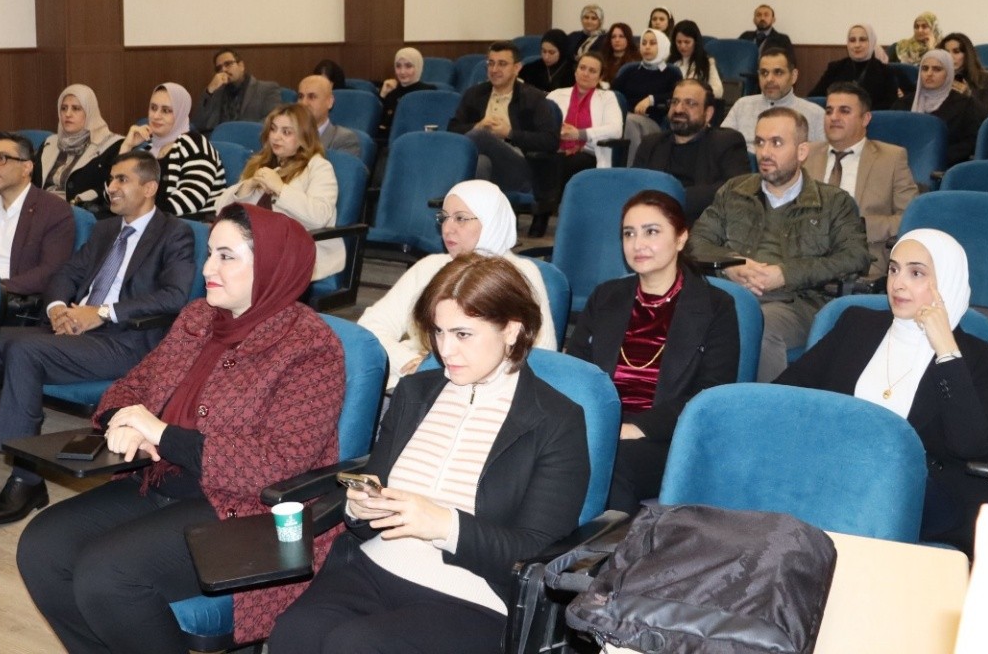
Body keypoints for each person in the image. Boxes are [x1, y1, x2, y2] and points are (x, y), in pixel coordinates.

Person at [16, 205, 345, 654]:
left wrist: (161, 433)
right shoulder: (197, 318)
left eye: (226, 256)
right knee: (41, 548)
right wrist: (123, 420)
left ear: (271, 266)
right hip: (160, 479)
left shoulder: (311, 348)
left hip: (246, 510)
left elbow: (278, 464)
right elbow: (130, 387)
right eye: (210, 253)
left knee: (108, 576)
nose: (208, 269)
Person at [270, 254, 589, 654]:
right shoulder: (414, 393)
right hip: (374, 565)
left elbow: (537, 552)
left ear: (511, 329)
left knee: (357, 645)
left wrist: (444, 524)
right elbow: (375, 490)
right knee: (294, 632)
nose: (445, 349)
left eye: (463, 334)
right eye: (439, 332)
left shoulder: (556, 421)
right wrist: (360, 507)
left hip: (472, 593)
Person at [0, 150, 196, 526]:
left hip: (128, 342)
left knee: (25, 351)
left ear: (149, 188)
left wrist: (101, 313)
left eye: (122, 180)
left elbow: (174, 296)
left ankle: (26, 480)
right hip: (79, 332)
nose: (111, 187)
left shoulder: (174, 233)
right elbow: (66, 274)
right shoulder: (105, 229)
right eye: (110, 179)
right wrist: (57, 309)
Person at [776, 229, 988, 554]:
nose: (898, 284)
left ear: (947, 281)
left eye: (916, 273)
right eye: (893, 269)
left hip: (924, 495)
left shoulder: (986, 360)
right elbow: (784, 394)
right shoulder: (855, 325)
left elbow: (970, 446)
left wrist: (946, 349)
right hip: (834, 473)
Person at [566, 191, 739, 511]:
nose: (638, 244)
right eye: (629, 234)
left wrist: (638, 427)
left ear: (681, 238)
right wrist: (598, 425)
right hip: (599, 426)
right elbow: (576, 373)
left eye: (652, 232)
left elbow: (711, 393)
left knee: (612, 464)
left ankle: (613, 542)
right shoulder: (606, 297)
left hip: (667, 437)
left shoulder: (716, 307)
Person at [691, 108, 870, 380]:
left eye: (776, 143)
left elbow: (855, 256)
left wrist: (786, 273)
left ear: (802, 151)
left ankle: (761, 406)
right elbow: (696, 241)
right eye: (760, 142)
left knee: (758, 329)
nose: (764, 153)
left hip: (796, 302)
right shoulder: (733, 191)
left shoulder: (834, 202)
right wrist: (731, 265)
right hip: (732, 294)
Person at [358, 180, 557, 391]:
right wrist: (411, 362)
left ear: (491, 221)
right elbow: (370, 327)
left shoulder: (521, 274)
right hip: (412, 380)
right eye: (444, 218)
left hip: (487, 391)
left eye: (460, 218)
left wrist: (437, 368)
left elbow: (541, 355)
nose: (447, 228)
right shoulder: (430, 266)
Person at [215, 104, 343, 281]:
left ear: (304, 137)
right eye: (273, 129)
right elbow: (219, 209)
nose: (276, 137)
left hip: (298, 250)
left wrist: (281, 189)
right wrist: (246, 187)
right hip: (256, 243)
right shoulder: (260, 163)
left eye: (286, 132)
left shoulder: (319, 167)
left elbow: (320, 216)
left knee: (232, 262)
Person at [803, 83, 918, 274]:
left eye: (844, 111)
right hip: (806, 258)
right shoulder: (806, 154)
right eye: (829, 111)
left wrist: (862, 226)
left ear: (865, 119)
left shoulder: (891, 158)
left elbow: (910, 217)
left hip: (863, 261)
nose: (834, 117)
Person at [0, 132, 75, 300]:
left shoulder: (53, 210)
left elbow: (49, 272)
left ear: (26, 167)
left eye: (1, 158)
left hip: (8, 299)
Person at [447, 41, 560, 195]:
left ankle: (444, 182)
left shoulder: (534, 98)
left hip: (520, 168)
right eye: (491, 63)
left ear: (517, 68)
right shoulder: (474, 94)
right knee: (481, 163)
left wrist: (509, 133)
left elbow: (550, 141)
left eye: (502, 64)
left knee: (481, 137)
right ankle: (474, 209)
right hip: (485, 163)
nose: (494, 69)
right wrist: (477, 126)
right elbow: (452, 129)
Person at [633, 79, 749, 221]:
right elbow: (634, 186)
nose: (678, 109)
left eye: (690, 103)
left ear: (708, 113)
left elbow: (737, 188)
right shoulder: (651, 143)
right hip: (653, 221)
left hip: (703, 224)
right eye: (675, 102)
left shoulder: (726, 142)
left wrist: (674, 197)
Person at [119, 83, 226, 217]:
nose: (156, 116)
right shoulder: (148, 149)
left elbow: (191, 199)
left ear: (180, 112)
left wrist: (140, 213)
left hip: (191, 224)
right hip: (151, 221)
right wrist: (126, 148)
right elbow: (114, 194)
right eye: (153, 108)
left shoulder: (194, 144)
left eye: (166, 111)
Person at [35, 85, 122, 215]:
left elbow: (110, 187)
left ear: (90, 111)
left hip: (79, 214)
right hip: (40, 211)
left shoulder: (110, 145)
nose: (68, 114)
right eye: (63, 108)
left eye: (76, 108)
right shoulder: (49, 143)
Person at [721, 47, 826, 150]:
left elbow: (825, 155)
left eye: (778, 72)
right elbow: (721, 145)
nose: (769, 79)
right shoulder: (742, 106)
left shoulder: (815, 114)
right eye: (764, 73)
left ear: (793, 76)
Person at [547, 51, 623, 191]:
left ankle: (557, 202)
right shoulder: (556, 95)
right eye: (582, 68)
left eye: (592, 71)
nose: (586, 73)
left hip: (590, 153)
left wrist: (579, 134)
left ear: (600, 77)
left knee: (569, 162)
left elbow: (615, 130)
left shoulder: (607, 98)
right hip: (556, 150)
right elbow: (541, 124)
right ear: (575, 71)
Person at [895, 49, 983, 167]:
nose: (929, 73)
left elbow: (971, 142)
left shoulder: (964, 104)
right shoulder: (904, 103)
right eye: (924, 68)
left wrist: (935, 157)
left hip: (945, 166)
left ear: (948, 73)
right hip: (904, 164)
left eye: (937, 69)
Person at [612, 28, 681, 160]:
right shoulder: (630, 70)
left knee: (629, 121)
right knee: (626, 121)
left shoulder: (672, 72)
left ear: (662, 45)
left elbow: (676, 96)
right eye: (644, 43)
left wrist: (651, 99)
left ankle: (633, 167)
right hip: (626, 117)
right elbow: (614, 94)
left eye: (652, 43)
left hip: (655, 121)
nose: (647, 47)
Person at [192, 47, 284, 134]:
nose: (223, 70)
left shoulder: (267, 89)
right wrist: (210, 90)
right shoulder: (216, 92)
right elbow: (198, 124)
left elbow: (273, 120)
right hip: (219, 140)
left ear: (241, 66)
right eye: (219, 68)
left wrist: (239, 133)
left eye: (228, 64)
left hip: (250, 139)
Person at [807, 24, 901, 106]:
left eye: (862, 40)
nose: (857, 45)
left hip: (872, 119)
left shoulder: (886, 71)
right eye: (852, 40)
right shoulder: (835, 68)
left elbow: (890, 105)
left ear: (872, 42)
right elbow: (814, 98)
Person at [297, 75, 363, 159]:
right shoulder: (288, 134)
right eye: (300, 97)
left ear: (329, 102)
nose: (303, 103)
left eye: (312, 97)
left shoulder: (344, 140)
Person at [378, 47, 436, 137]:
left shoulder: (429, 92)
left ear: (418, 67)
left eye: (408, 66)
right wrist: (382, 96)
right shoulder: (391, 94)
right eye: (398, 66)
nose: (402, 71)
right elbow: (380, 127)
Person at [941, 32, 988, 114]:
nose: (949, 56)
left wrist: (968, 96)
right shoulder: (936, 78)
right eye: (946, 53)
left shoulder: (985, 79)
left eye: (956, 52)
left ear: (968, 55)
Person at [668, 19, 723, 99]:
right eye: (679, 42)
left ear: (696, 42)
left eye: (687, 42)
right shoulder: (669, 63)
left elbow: (718, 91)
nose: (682, 46)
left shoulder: (706, 62)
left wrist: (696, 93)